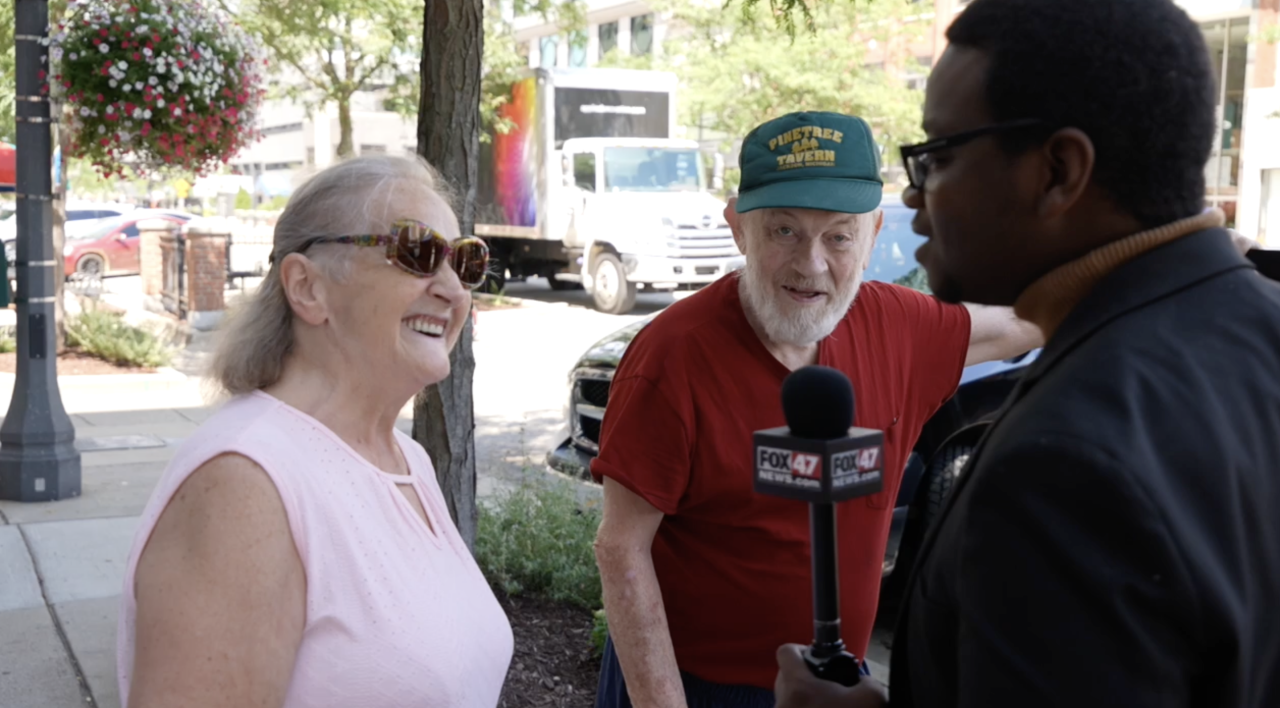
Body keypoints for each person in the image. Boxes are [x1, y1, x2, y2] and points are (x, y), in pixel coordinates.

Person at [774, 1, 1280, 706]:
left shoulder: (1065, 465)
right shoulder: (1259, 324)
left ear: (1058, 171)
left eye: (939, 154)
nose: (913, 196)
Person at [590, 110, 1045, 708]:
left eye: (838, 235)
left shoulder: (899, 327)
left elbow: (1023, 320)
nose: (812, 264)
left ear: (873, 234)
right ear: (738, 229)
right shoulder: (673, 357)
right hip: (699, 689)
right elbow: (622, 548)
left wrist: (1149, 252)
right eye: (783, 231)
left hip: (834, 688)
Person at [116, 155, 514, 708]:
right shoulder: (245, 485)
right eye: (418, 252)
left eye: (465, 262)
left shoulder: (407, 459)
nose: (452, 289)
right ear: (307, 287)